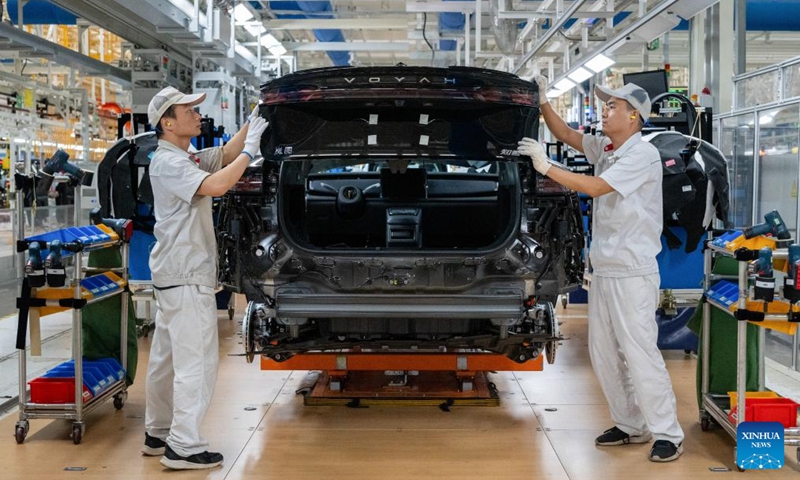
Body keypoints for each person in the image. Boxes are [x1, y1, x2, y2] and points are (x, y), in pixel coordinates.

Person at [518, 76, 684, 463]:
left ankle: (667, 433)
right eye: (605, 105)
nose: (605, 111)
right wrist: (542, 102)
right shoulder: (608, 147)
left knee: (640, 353)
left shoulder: (641, 155)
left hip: (633, 271)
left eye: (613, 107)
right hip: (606, 271)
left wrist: (546, 167)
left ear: (635, 117)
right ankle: (630, 425)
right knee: (605, 353)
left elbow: (594, 188)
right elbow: (566, 133)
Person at [141, 86, 268, 470]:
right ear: (168, 122)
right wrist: (252, 152)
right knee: (196, 362)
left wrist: (255, 120)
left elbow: (225, 154)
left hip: (173, 272)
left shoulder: (183, 156)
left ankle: (158, 431)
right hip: (185, 274)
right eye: (189, 110)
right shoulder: (170, 163)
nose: (198, 115)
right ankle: (184, 445)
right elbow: (217, 183)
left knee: (165, 359)